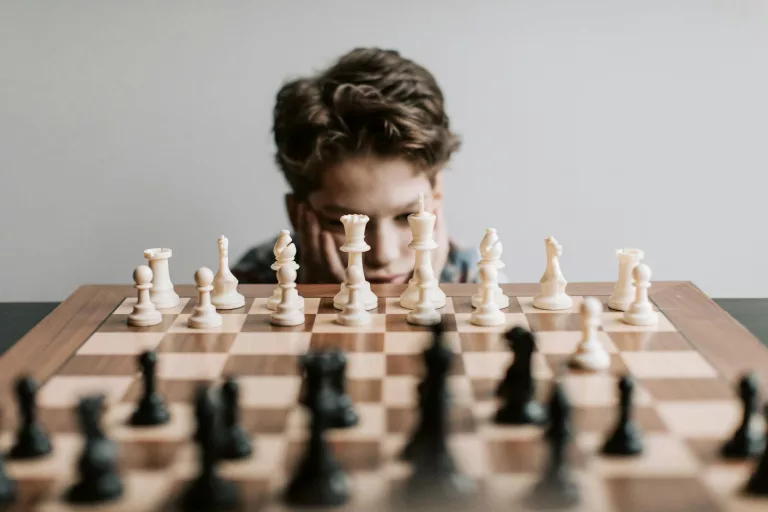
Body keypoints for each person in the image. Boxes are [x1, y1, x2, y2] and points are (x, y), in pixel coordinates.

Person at [233, 47, 479, 285]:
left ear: (437, 198)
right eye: (345, 222)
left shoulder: (470, 278)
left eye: (408, 216)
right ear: (297, 215)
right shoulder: (250, 283)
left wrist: (425, 301)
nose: (383, 255)